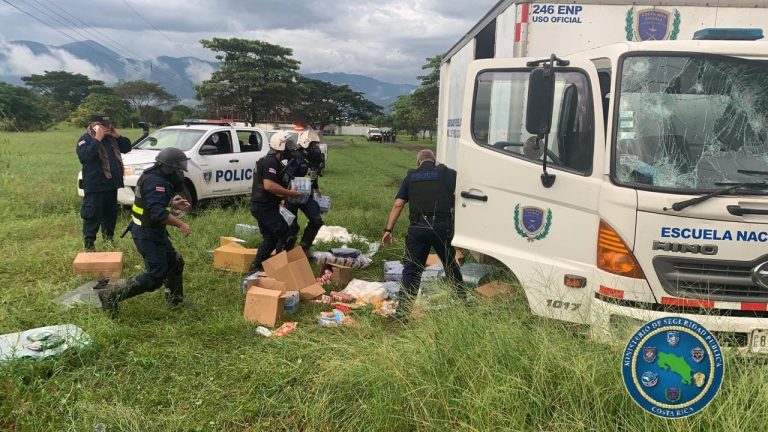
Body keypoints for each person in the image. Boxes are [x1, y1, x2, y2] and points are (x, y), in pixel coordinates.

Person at [97, 147, 195, 317]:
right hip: (147, 234)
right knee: (155, 276)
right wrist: (181, 224)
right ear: (168, 167)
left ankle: (175, 301)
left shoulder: (154, 176)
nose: (180, 172)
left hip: (151, 230)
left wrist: (173, 204)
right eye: (178, 168)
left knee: (175, 262)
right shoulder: (156, 182)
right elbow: (158, 213)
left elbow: (150, 203)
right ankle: (110, 294)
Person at [381, 149, 466, 320]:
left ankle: (403, 313)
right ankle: (462, 303)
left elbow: (398, 204)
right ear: (434, 160)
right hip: (441, 227)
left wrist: (388, 230)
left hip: (417, 229)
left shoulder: (411, 177)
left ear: (418, 162)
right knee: (450, 264)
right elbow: (462, 196)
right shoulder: (448, 174)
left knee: (412, 270)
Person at [76, 114, 132, 251]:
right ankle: (89, 244)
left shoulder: (111, 139)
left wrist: (117, 136)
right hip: (95, 186)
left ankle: (109, 241)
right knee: (92, 215)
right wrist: (97, 139)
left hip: (111, 185)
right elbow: (86, 157)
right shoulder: (85, 139)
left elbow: (127, 148)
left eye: (108, 125)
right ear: (95, 125)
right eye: (103, 125)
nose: (107, 128)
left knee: (110, 215)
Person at [248, 131, 302, 273]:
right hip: (263, 207)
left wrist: (283, 198)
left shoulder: (274, 162)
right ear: (280, 146)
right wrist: (291, 193)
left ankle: (256, 267)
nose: (291, 149)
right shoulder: (270, 161)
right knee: (287, 236)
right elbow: (269, 185)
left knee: (270, 238)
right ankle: (281, 269)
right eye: (288, 145)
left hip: (264, 206)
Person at [283, 130, 326, 253]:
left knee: (316, 220)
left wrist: (316, 188)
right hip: (291, 195)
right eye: (314, 145)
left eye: (317, 145)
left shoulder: (316, 159)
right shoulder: (296, 158)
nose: (316, 148)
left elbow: (313, 175)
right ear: (306, 144)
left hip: (307, 196)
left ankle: (303, 248)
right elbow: (286, 178)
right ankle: (286, 252)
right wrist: (283, 196)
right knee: (292, 226)